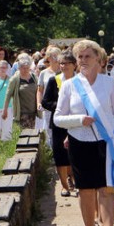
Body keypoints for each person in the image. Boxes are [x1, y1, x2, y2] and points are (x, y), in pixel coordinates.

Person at [54, 40, 114, 226]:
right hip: (79, 144)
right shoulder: (69, 85)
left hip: (106, 144)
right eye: (80, 57)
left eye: (88, 56)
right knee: (85, 191)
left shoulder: (109, 83)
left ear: (98, 59)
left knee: (106, 189)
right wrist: (79, 120)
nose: (83, 60)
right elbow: (58, 119)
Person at [41, 51, 77, 197]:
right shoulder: (54, 80)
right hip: (59, 124)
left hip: (76, 123)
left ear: (74, 65)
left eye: (67, 63)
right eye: (61, 63)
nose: (63, 66)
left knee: (74, 154)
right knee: (60, 155)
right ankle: (64, 186)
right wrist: (61, 106)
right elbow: (45, 102)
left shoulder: (80, 80)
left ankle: (74, 179)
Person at [3, 54, 42, 130]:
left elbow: (39, 90)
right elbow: (8, 95)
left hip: (33, 111)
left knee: (32, 132)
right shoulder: (14, 79)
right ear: (19, 68)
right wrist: (5, 110)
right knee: (24, 133)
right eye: (23, 68)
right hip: (22, 112)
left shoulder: (34, 77)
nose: (26, 70)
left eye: (27, 68)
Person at [37, 46, 61, 146]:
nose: (54, 58)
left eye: (56, 55)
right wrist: (38, 102)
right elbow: (40, 90)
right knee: (48, 129)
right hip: (48, 105)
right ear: (48, 58)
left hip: (61, 104)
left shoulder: (64, 71)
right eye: (52, 56)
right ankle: (50, 152)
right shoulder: (44, 73)